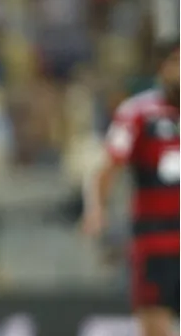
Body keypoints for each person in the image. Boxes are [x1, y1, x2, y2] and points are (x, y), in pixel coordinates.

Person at [82, 41, 179, 336]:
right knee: (154, 323)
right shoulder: (138, 113)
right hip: (155, 239)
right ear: (163, 68)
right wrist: (97, 209)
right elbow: (108, 166)